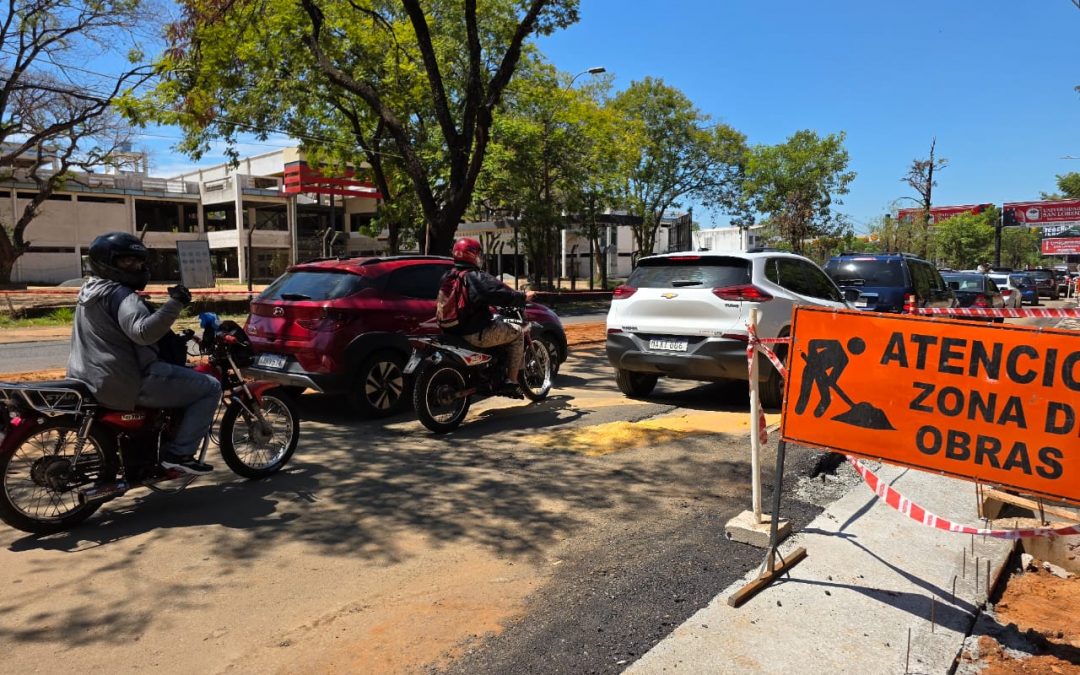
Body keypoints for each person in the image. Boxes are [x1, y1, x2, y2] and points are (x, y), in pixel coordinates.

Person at [66, 232, 220, 475]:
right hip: (126, 381)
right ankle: (179, 454)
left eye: (138, 261)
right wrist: (175, 303)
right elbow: (143, 333)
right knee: (210, 387)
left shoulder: (90, 292)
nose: (137, 266)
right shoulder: (121, 294)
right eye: (127, 261)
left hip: (88, 377)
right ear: (106, 262)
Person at [438, 237, 535, 390]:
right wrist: (522, 297)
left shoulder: (449, 275)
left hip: (452, 331)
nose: (480, 258)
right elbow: (499, 293)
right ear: (471, 255)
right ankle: (512, 381)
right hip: (474, 333)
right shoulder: (476, 277)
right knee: (518, 333)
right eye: (478, 254)